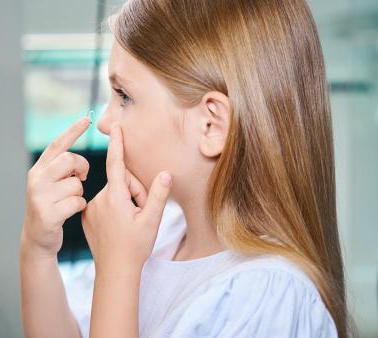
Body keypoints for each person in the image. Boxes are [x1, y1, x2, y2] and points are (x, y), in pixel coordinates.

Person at [20, 0, 354, 337]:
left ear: (211, 125)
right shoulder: (159, 234)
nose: (105, 122)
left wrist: (118, 271)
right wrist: (37, 251)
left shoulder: (266, 299)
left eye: (124, 96)